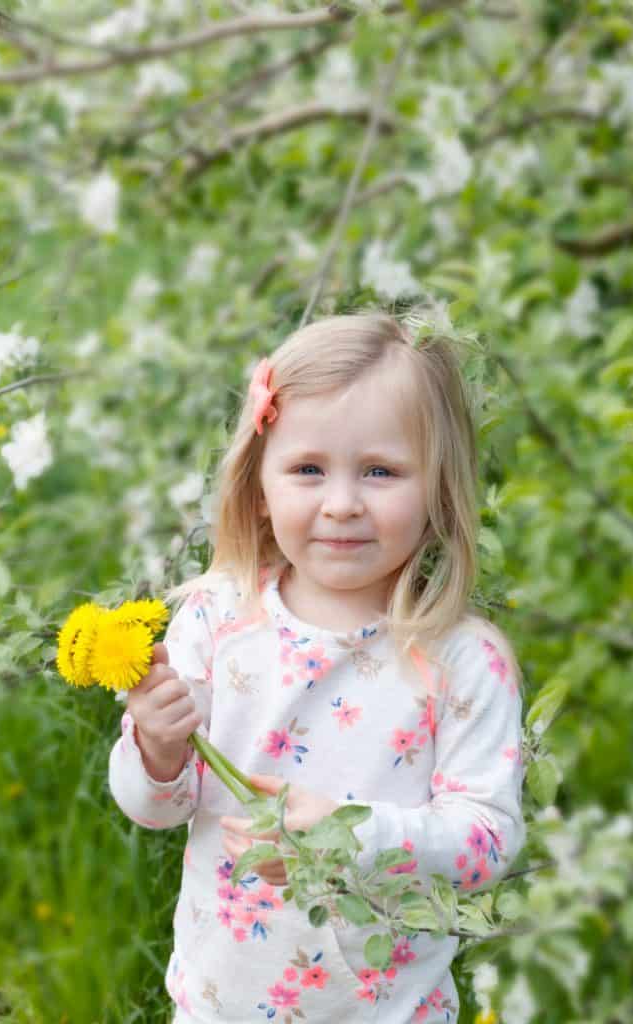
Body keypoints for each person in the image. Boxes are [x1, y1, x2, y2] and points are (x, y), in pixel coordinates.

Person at [109, 310, 526, 1024]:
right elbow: (155, 809)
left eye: (380, 471)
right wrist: (156, 745)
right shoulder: (218, 620)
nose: (342, 504)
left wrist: (350, 834)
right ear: (260, 489)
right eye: (307, 470)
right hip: (220, 1006)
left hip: (393, 1011)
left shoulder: (462, 659)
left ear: (438, 489)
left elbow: (485, 841)